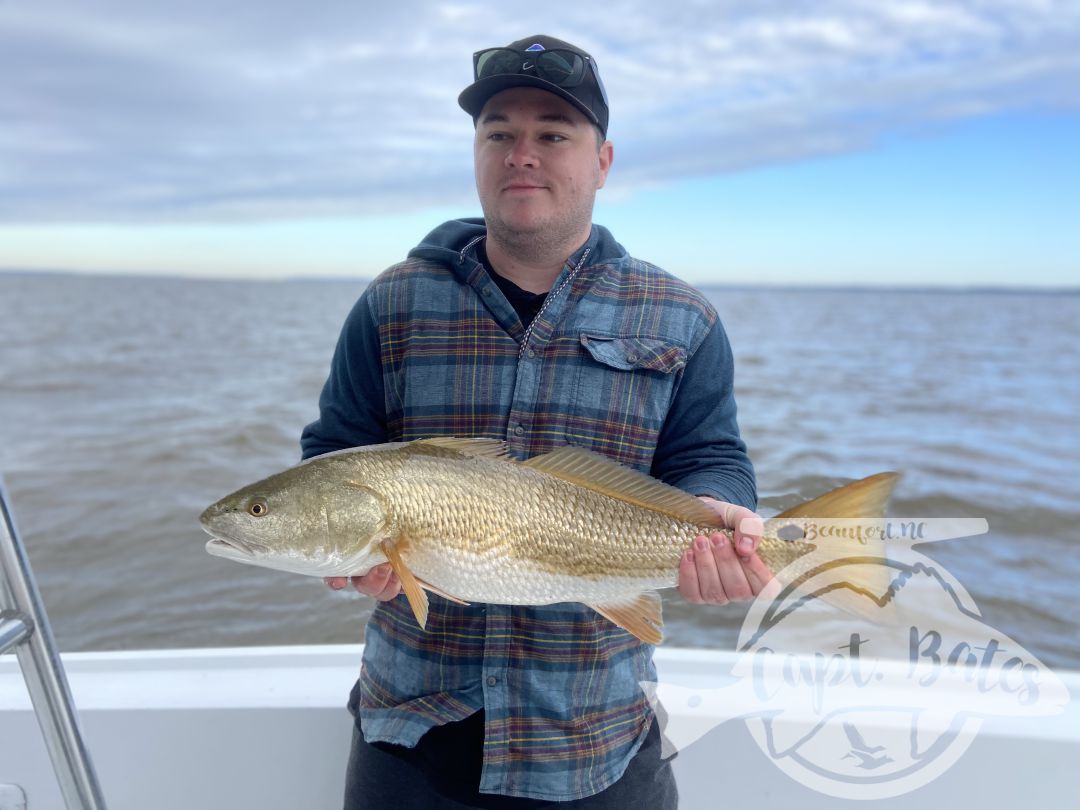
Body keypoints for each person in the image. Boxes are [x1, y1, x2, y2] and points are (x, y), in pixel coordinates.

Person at [301, 34, 770, 809]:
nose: (523, 153)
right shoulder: (392, 304)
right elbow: (335, 457)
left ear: (602, 161)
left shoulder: (682, 316)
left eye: (553, 133)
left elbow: (710, 454)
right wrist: (351, 557)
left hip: (595, 731)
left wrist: (718, 509)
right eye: (499, 133)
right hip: (411, 728)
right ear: (477, 153)